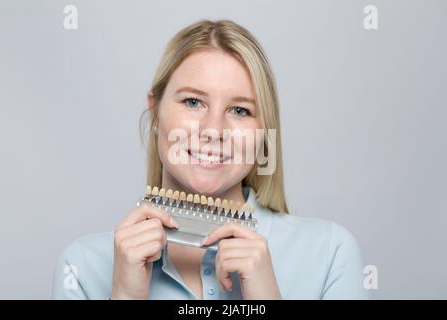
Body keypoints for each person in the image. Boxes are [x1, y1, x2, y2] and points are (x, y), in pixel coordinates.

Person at [52, 19, 369, 300]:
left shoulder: (330, 254)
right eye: (193, 102)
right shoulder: (81, 268)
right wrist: (126, 296)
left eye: (240, 110)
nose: (214, 130)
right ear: (155, 112)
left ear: (263, 132)